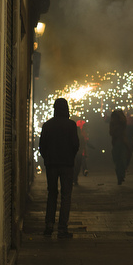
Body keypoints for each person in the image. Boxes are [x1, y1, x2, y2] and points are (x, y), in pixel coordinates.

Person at [39, 98, 79, 238]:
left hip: (51, 164)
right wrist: (70, 156)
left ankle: (49, 225)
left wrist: (47, 158)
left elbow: (42, 146)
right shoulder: (71, 125)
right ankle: (62, 228)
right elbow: (75, 145)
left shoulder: (48, 125)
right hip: (67, 164)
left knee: (52, 194)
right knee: (66, 196)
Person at [109, 109, 130, 185]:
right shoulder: (122, 122)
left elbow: (110, 132)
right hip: (121, 142)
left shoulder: (114, 123)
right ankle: (121, 175)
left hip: (117, 142)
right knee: (122, 160)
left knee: (118, 161)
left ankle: (120, 176)